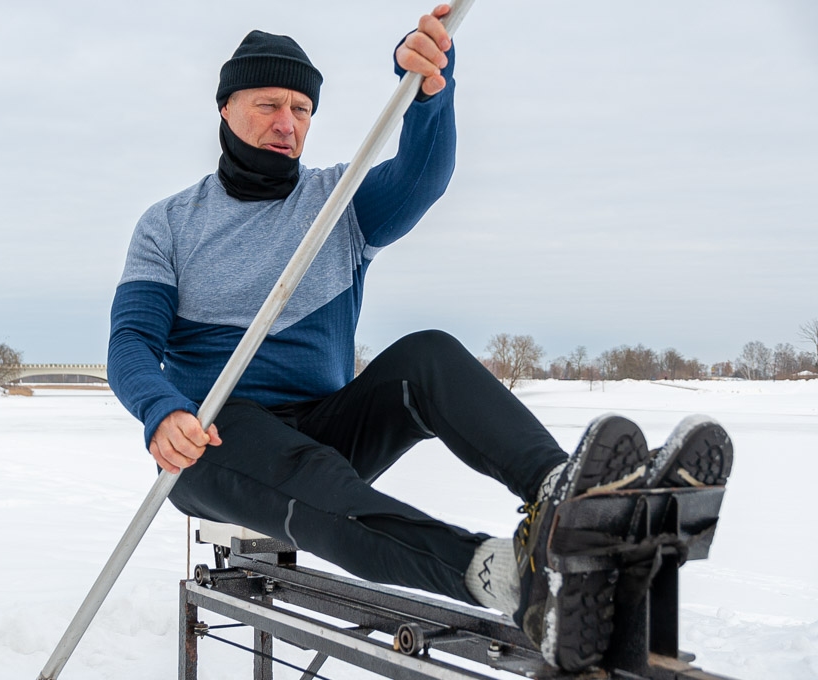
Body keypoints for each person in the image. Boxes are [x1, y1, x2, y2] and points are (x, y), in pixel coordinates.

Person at [107, 5, 734, 672]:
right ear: (227, 107)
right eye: (268, 104)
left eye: (302, 108)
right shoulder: (169, 225)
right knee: (309, 474)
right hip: (211, 441)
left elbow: (422, 176)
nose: (287, 124)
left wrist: (432, 90)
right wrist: (161, 409)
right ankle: (505, 576)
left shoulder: (338, 201)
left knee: (427, 355)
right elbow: (131, 342)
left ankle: (566, 498)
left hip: (323, 424)